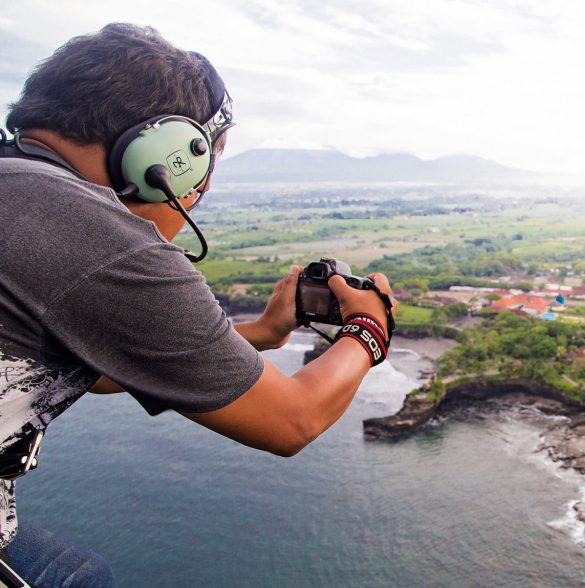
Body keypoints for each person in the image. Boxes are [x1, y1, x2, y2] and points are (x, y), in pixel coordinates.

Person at [0, 23, 395, 586]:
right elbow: (292, 420)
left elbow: (92, 368)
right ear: (162, 158)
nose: (194, 196)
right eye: (201, 172)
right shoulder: (95, 234)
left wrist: (259, 333)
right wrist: (369, 328)